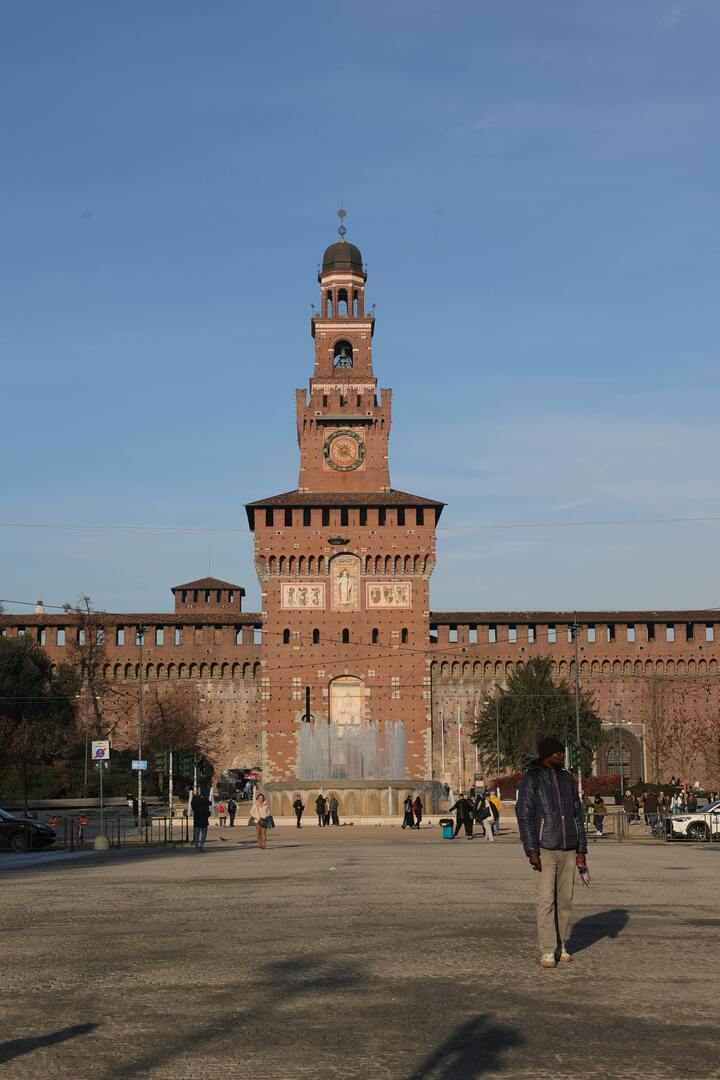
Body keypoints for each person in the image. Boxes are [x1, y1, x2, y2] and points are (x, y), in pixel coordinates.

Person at [516, 736, 588, 969]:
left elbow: (578, 815)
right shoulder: (532, 779)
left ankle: (560, 944)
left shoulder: (567, 779)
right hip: (545, 848)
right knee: (546, 900)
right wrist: (531, 850)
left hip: (568, 848)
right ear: (547, 755)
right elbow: (524, 815)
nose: (562, 755)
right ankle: (547, 950)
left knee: (565, 901)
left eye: (562, 752)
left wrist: (581, 850)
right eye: (558, 753)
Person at [191, 787, 211, 853]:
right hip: (204, 820)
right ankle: (201, 844)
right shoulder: (205, 799)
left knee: (196, 834)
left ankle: (196, 848)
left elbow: (192, 806)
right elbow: (210, 803)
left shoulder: (194, 800)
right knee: (204, 833)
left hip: (197, 820)